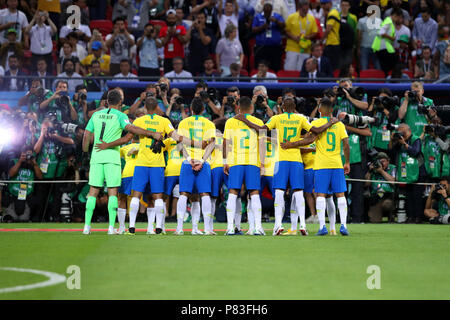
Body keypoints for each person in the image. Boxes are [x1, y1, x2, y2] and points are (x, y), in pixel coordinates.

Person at [234, 96, 337, 235]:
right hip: (296, 160)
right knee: (299, 192)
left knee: (279, 192)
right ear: (294, 108)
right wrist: (330, 122)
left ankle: (278, 225)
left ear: (282, 107)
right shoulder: (300, 118)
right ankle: (303, 225)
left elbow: (262, 130)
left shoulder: (277, 118)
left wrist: (245, 120)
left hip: (281, 160)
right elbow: (316, 131)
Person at [81, 90, 164, 235]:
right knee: (113, 193)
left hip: (96, 156)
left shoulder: (95, 114)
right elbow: (131, 129)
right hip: (112, 157)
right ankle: (111, 228)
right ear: (120, 102)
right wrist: (151, 133)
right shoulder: (120, 115)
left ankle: (87, 227)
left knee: (93, 192)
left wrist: (86, 150)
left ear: (107, 101)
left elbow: (86, 134)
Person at [120, 96, 201, 235]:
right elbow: (176, 137)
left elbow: (129, 136)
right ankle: (158, 227)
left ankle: (131, 227)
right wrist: (194, 142)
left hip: (141, 163)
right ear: (157, 107)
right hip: (157, 164)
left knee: (136, 195)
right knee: (158, 196)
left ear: (145, 108)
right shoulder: (164, 121)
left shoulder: (139, 120)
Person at [223, 96, 265, 235]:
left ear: (238, 107)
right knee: (254, 193)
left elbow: (226, 143)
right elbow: (262, 144)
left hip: (236, 161)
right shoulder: (258, 121)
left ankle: (230, 227)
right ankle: (258, 227)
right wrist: (263, 163)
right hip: (253, 161)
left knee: (233, 192)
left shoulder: (230, 121)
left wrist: (225, 162)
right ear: (252, 108)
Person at [175, 97, 216, 235]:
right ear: (203, 110)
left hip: (187, 162)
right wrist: (202, 161)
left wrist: (189, 158)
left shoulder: (183, 122)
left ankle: (180, 229)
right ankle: (205, 229)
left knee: (184, 194)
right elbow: (211, 144)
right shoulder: (209, 123)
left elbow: (179, 144)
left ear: (191, 109)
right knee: (204, 194)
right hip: (203, 163)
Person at [310, 97, 350, 235]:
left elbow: (310, 139)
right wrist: (347, 162)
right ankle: (343, 226)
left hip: (321, 164)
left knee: (320, 195)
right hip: (336, 163)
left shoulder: (316, 122)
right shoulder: (339, 125)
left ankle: (322, 227)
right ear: (332, 110)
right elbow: (346, 145)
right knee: (340, 195)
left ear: (319, 109)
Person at [389, 123, 426, 224]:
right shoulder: (400, 141)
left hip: (418, 172)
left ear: (406, 129)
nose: (399, 132)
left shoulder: (416, 139)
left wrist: (404, 144)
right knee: (408, 196)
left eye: (401, 130)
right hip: (406, 172)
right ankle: (410, 217)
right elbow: (391, 151)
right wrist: (392, 140)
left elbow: (415, 152)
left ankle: (418, 217)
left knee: (417, 196)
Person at [6, 145, 42, 222]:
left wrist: (35, 164)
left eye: (30, 154)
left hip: (27, 197)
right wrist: (20, 161)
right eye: (27, 154)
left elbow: (40, 177)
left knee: (23, 220)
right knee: (12, 220)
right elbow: (11, 174)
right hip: (13, 195)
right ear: (22, 153)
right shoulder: (14, 161)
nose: (28, 156)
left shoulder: (33, 165)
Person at [284, 0, 318, 71]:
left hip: (305, 49)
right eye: (304, 10)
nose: (306, 11)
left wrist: (308, 37)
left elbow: (315, 32)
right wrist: (294, 37)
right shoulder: (291, 17)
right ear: (299, 8)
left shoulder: (311, 18)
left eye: (307, 9)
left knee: (302, 70)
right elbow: (286, 30)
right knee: (290, 69)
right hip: (292, 48)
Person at [252, 1, 285, 72]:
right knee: (260, 67)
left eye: (269, 12)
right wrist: (262, 27)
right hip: (261, 47)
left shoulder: (277, 16)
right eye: (266, 11)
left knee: (276, 67)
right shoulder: (258, 17)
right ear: (263, 10)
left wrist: (276, 21)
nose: (267, 13)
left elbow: (283, 25)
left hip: (275, 48)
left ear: (271, 10)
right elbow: (253, 29)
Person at [364, 152, 396, 223]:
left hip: (388, 196)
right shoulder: (373, 169)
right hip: (376, 198)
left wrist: (381, 171)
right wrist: (370, 171)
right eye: (380, 161)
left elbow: (393, 182)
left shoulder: (392, 168)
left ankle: (391, 217)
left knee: (387, 204)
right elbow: (366, 184)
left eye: (383, 161)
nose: (381, 164)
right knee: (374, 221)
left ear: (388, 161)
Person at [117, 135, 140, 234]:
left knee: (122, 198)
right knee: (140, 199)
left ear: (131, 138)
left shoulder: (125, 147)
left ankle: (122, 227)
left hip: (127, 174)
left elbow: (114, 153)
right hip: (141, 174)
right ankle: (148, 228)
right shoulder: (145, 146)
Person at [372, 8, 404, 76]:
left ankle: (388, 80)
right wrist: (392, 38)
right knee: (393, 64)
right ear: (395, 15)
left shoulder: (390, 22)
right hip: (383, 48)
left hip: (385, 48)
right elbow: (380, 32)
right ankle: (390, 81)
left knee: (387, 67)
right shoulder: (388, 21)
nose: (398, 20)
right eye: (398, 17)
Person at [157, 9, 188, 74]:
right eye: (169, 18)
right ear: (167, 19)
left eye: (173, 18)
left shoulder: (181, 28)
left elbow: (184, 41)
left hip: (179, 57)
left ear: (176, 18)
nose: (171, 20)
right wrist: (169, 35)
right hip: (168, 57)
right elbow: (162, 43)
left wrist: (177, 34)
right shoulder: (163, 29)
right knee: (167, 77)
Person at [186, 11, 214, 76]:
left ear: (205, 19)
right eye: (198, 18)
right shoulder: (193, 30)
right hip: (192, 59)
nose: (200, 20)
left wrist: (200, 29)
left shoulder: (209, 31)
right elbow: (185, 39)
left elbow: (205, 42)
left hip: (204, 59)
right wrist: (191, 26)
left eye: (202, 18)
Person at [320, 0, 340, 71]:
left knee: (331, 67)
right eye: (322, 4)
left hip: (333, 44)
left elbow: (328, 29)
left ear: (330, 4)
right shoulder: (330, 13)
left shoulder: (332, 13)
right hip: (330, 43)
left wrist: (321, 41)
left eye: (325, 4)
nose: (323, 6)